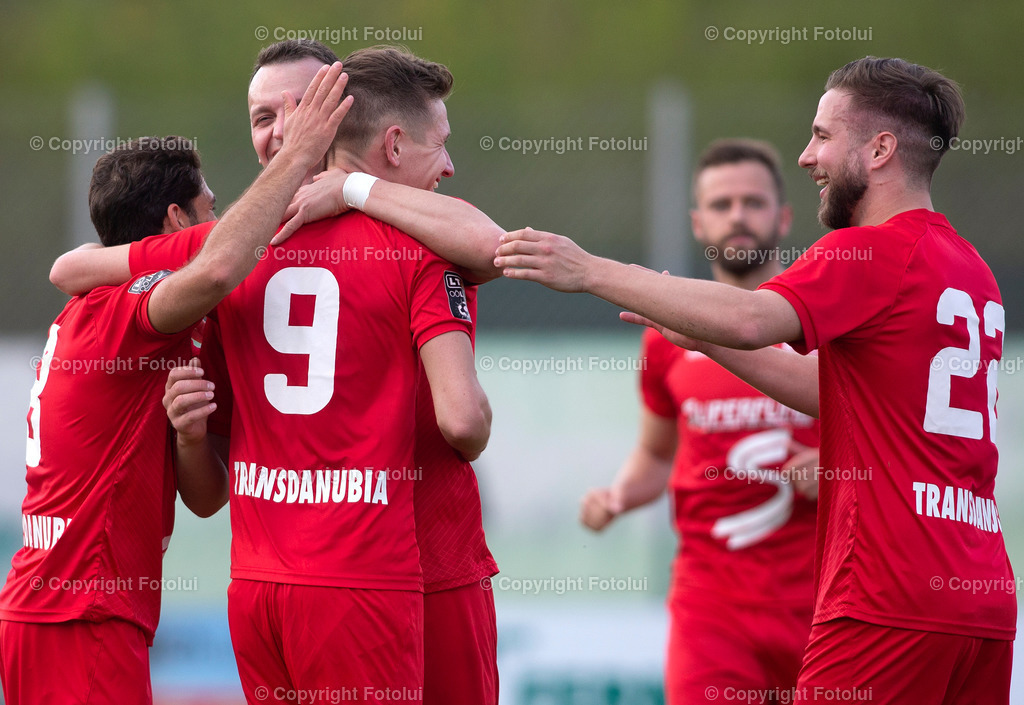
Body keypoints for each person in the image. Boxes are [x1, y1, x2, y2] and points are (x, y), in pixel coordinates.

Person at [494, 57, 1015, 704]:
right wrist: (705, 334)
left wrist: (589, 269)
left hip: (885, 596)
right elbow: (835, 390)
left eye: (824, 135)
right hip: (980, 597)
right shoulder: (969, 268)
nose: (807, 156)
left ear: (880, 149)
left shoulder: (872, 249)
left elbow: (749, 317)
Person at [50, 40, 506, 705]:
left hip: (303, 585)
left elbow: (73, 268)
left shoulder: (233, 258)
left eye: (294, 112)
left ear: (335, 115)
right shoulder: (237, 256)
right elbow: (465, 417)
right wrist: (186, 434)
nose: (278, 134)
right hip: (377, 578)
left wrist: (349, 189)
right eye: (261, 118)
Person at [0, 63, 350, 705]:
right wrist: (299, 155)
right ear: (173, 221)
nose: (222, 217)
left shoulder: (135, 319)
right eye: (211, 208)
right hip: (82, 611)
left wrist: (189, 437)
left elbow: (206, 496)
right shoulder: (127, 311)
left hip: (69, 609)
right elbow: (217, 267)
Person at [578, 139, 820, 704]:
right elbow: (658, 454)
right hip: (713, 607)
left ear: (783, 217)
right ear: (697, 222)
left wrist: (841, 462)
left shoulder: (824, 318)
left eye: (753, 202)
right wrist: (619, 495)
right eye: (721, 204)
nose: (738, 215)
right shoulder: (665, 336)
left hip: (826, 600)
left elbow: (898, 432)